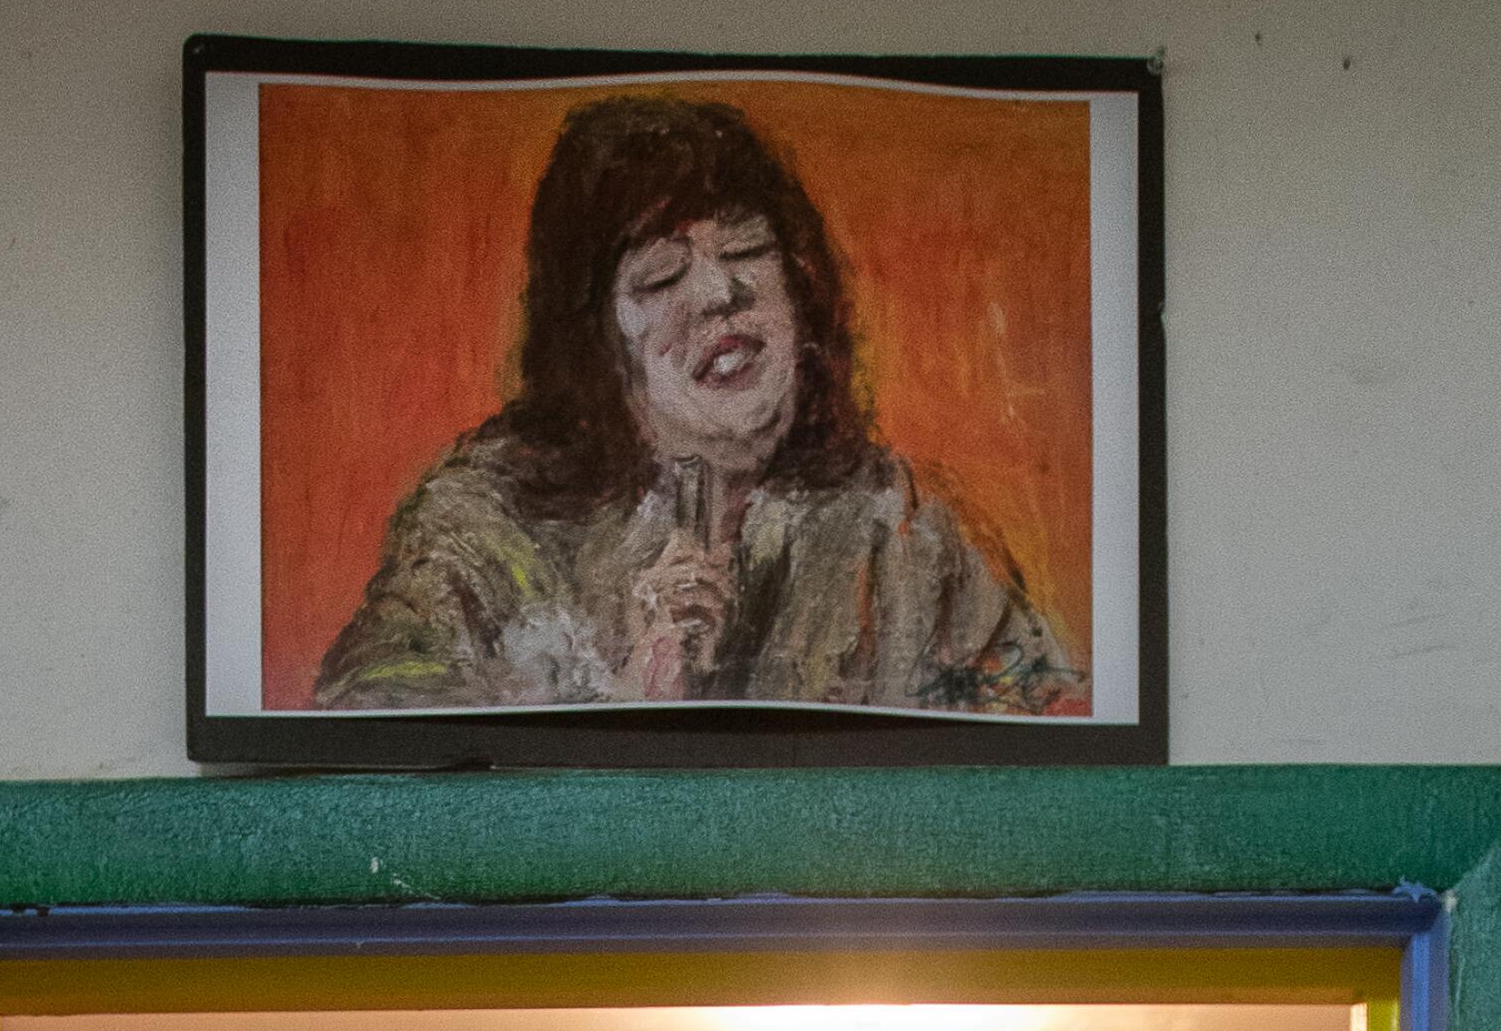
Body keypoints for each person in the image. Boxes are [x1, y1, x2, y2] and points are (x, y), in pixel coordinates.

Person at [315, 94, 1085, 719]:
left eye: (749, 252)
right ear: (594, 341)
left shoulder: (910, 529)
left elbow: (1040, 752)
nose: (722, 294)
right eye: (660, 278)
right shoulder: (482, 526)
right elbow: (364, 731)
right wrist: (614, 703)